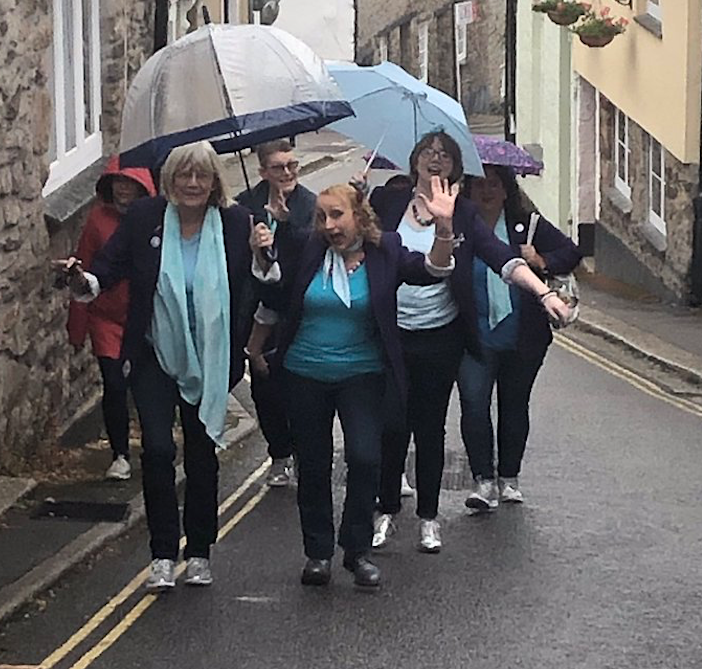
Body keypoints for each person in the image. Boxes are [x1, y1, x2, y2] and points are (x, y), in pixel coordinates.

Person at [56, 141, 255, 592]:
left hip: (210, 355)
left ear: (214, 181)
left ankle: (199, 551)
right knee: (160, 451)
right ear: (168, 180)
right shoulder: (146, 219)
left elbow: (261, 284)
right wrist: (79, 278)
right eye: (183, 175)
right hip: (153, 353)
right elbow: (104, 272)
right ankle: (164, 553)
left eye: (201, 176)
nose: (191, 183)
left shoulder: (235, 222)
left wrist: (264, 252)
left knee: (202, 454)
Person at [368, 132, 571, 553]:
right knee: (390, 425)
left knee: (429, 427)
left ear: (456, 167)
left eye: (445, 155)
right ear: (415, 161)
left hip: (441, 335)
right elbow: (350, 236)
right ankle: (385, 509)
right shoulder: (386, 203)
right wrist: (353, 200)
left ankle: (428, 518)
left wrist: (544, 292)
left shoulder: (462, 213)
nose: (436, 159)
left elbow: (504, 258)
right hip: (390, 334)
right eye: (428, 152)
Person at [250, 180, 458, 589]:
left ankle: (357, 550)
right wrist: (263, 255)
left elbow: (431, 270)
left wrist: (445, 228)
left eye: (337, 215)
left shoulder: (387, 251)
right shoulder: (306, 247)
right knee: (313, 466)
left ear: (359, 217)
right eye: (322, 217)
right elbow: (274, 292)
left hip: (362, 374)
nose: (328, 225)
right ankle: (318, 554)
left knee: (365, 458)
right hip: (305, 371)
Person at [459, 165, 581, 511]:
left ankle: (509, 479)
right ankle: (483, 481)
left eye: (494, 185)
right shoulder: (458, 228)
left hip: (522, 337)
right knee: (474, 405)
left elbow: (571, 252)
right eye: (479, 185)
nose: (486, 192)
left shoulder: (528, 225)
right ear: (467, 191)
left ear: (506, 190)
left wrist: (540, 258)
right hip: (475, 337)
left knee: (514, 407)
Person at [67, 156, 156, 481]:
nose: (123, 188)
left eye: (130, 182)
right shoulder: (96, 220)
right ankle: (119, 454)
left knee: (147, 386)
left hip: (146, 318)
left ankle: (155, 446)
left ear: (142, 186)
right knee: (114, 383)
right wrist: (77, 328)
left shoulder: (156, 218)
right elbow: (83, 271)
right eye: (117, 182)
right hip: (107, 318)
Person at [236, 140, 316, 487]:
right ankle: (279, 454)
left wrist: (286, 225)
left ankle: (303, 451)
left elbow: (313, 252)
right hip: (258, 312)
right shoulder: (244, 207)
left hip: (297, 310)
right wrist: (254, 247)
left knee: (300, 390)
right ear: (263, 172)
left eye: (292, 165)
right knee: (264, 388)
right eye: (279, 167)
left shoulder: (311, 205)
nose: (287, 173)